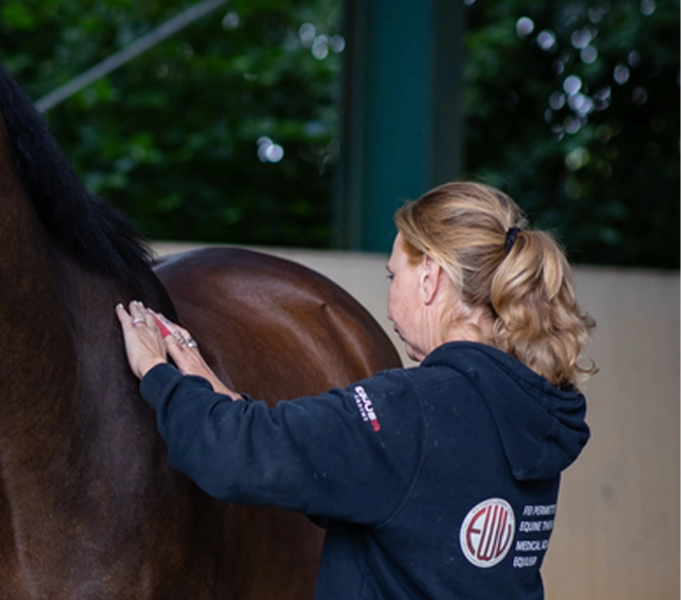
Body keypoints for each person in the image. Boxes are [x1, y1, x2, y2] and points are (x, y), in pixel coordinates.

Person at [116, 181, 595, 599]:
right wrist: (205, 377)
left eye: (394, 275)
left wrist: (156, 372)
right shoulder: (531, 411)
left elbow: (229, 455)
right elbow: (375, 485)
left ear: (429, 278)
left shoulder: (412, 410)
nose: (390, 298)